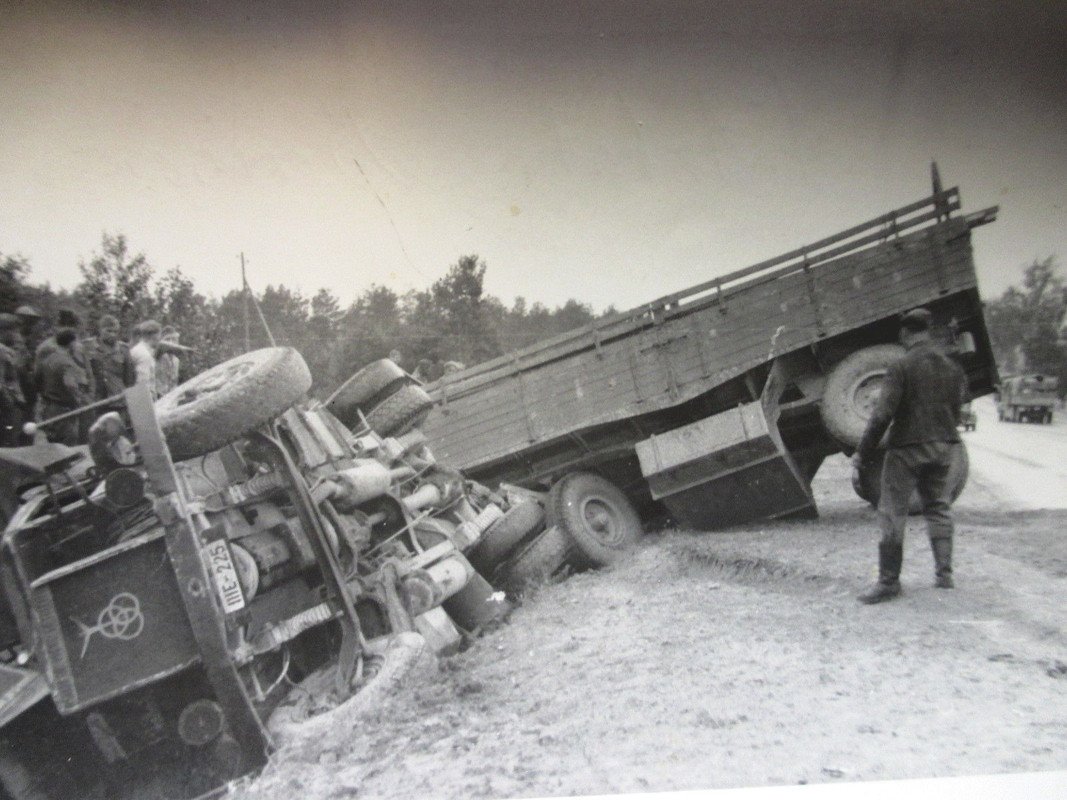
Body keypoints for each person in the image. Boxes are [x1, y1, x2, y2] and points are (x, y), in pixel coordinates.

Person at [852, 308, 968, 604]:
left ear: (905, 333)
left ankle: (889, 582)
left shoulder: (901, 366)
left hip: (906, 449)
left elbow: (881, 416)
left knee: (892, 511)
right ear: (928, 331)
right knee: (939, 507)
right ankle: (944, 575)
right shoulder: (952, 366)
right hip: (944, 447)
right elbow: (957, 410)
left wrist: (862, 453)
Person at [37, 328, 92, 445]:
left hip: (49, 408)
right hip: (64, 411)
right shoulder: (67, 362)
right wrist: (79, 400)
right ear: (72, 343)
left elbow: (38, 379)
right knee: (67, 448)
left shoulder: (48, 359)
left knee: (53, 446)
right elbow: (70, 385)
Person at [85, 314, 134, 401]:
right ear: (100, 330)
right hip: (96, 398)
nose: (112, 335)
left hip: (117, 397)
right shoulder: (88, 346)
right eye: (109, 331)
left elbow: (129, 378)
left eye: (115, 332)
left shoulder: (123, 349)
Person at [0, 314, 26, 447]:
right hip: (8, 404)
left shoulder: (7, 350)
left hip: (10, 402)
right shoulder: (1, 351)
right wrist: (10, 404)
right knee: (10, 444)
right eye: (14, 331)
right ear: (5, 331)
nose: (16, 335)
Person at [129, 319, 162, 397]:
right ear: (155, 336)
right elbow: (143, 384)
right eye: (159, 335)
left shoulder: (137, 349)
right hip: (141, 399)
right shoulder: (144, 355)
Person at [155, 326, 182, 396]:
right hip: (158, 393)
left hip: (170, 395)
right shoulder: (159, 357)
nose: (171, 342)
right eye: (168, 339)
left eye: (173, 339)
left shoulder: (176, 360)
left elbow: (174, 381)